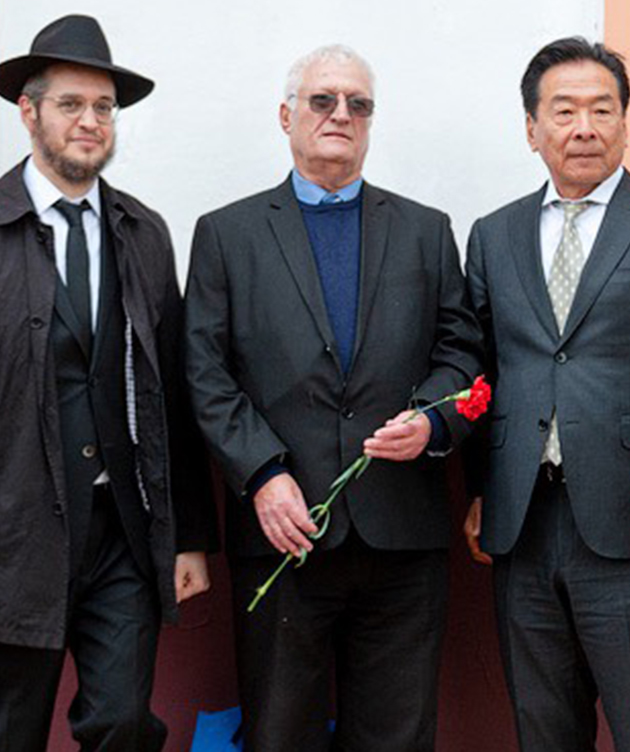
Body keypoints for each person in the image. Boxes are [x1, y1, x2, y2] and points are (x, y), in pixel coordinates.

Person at [0, 15, 217, 752]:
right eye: (71, 104)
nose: (90, 122)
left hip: (123, 537)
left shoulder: (143, 232)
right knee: (5, 733)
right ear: (29, 111)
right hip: (7, 540)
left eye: (103, 108)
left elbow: (172, 392)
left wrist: (189, 536)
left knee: (123, 724)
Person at [181, 45, 479, 752]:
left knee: (397, 737)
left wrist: (433, 422)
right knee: (279, 733)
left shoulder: (426, 231)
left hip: (401, 532)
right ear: (287, 116)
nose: (341, 114)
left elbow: (461, 352)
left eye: (359, 103)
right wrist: (260, 472)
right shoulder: (227, 234)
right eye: (323, 100)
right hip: (284, 532)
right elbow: (204, 369)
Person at [462, 37, 630, 752]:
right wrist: (476, 488)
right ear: (532, 129)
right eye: (563, 111)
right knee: (543, 729)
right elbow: (481, 371)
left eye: (601, 109)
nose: (583, 127)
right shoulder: (494, 235)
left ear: (624, 122)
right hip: (524, 522)